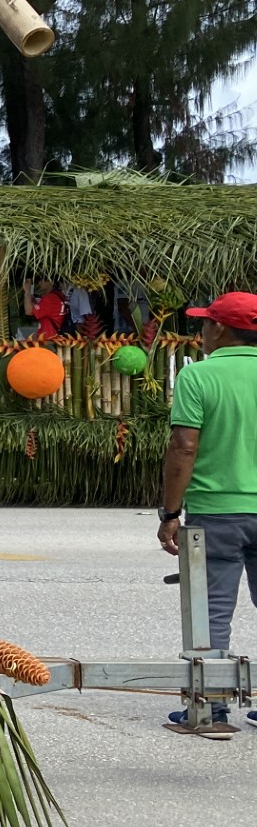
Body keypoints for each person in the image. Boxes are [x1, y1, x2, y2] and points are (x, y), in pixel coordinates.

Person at [157, 292, 257, 736]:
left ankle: (212, 710)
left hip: (217, 512)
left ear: (220, 329)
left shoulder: (199, 376)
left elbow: (184, 447)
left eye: (205, 324)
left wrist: (171, 512)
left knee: (214, 608)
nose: (201, 332)